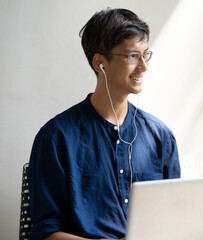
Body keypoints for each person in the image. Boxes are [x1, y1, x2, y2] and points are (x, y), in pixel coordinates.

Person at [28, 8, 181, 240]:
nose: (144, 66)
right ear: (100, 63)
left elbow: (178, 217)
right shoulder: (56, 138)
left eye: (145, 54)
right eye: (132, 56)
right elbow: (45, 233)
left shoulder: (161, 137)